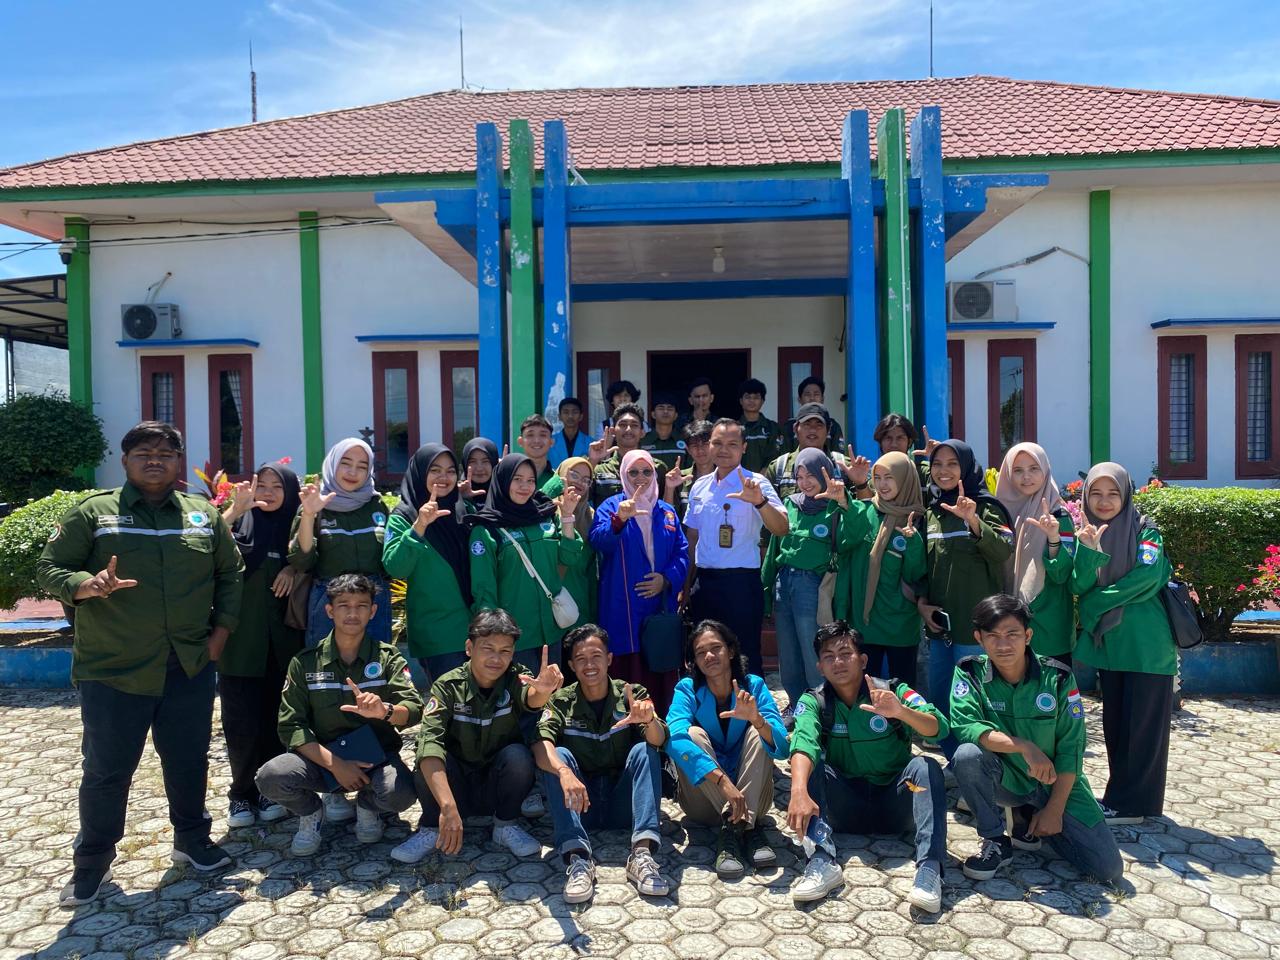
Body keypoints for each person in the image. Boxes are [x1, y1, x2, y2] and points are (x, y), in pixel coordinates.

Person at [37, 421, 245, 906]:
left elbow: (230, 574)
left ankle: (191, 840)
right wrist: (85, 585)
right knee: (108, 770)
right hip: (114, 667)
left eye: (166, 453)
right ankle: (91, 863)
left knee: (188, 760)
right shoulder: (96, 512)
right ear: (126, 461)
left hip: (188, 666)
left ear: (177, 461)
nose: (155, 460)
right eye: (144, 453)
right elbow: (51, 567)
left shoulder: (200, 515)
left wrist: (219, 635)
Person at [949, 595, 1123, 884]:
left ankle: (1030, 816)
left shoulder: (1058, 678)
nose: (1003, 645)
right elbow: (967, 727)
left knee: (1108, 871)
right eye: (992, 636)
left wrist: (1054, 810)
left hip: (1054, 780)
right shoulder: (969, 672)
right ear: (979, 639)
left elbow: (1071, 747)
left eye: (1012, 635)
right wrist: (1023, 746)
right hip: (1005, 779)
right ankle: (996, 840)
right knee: (966, 756)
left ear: (1028, 635)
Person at [255, 574, 423, 855]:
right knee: (270, 776)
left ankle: (368, 806)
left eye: (361, 605)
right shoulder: (305, 662)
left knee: (401, 793)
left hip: (376, 761)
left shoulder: (387, 658)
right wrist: (336, 765)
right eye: (344, 605)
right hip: (321, 760)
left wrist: (386, 711)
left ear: (373, 611)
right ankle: (311, 813)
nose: (353, 613)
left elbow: (414, 709)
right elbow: (291, 725)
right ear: (330, 611)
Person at [786, 622, 947, 911]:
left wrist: (901, 712)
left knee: (926, 767)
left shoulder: (894, 690)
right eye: (828, 656)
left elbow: (938, 727)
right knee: (812, 768)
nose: (838, 662)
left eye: (845, 653)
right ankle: (822, 859)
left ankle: (929, 869)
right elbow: (803, 741)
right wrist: (798, 790)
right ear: (820, 666)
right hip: (844, 805)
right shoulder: (815, 700)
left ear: (862, 660)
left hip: (897, 800)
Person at [390, 610, 564, 862]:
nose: (496, 658)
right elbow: (430, 743)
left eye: (505, 651)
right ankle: (430, 826)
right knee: (429, 756)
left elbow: (531, 698)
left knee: (518, 755)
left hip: (495, 785)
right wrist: (447, 806)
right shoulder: (447, 686)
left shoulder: (517, 677)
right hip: (455, 784)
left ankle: (505, 825)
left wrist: (544, 691)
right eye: (488, 648)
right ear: (469, 648)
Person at [531, 625, 671, 902]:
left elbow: (658, 742)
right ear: (571, 665)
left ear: (609, 659)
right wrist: (563, 771)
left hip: (624, 806)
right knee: (558, 755)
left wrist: (649, 720)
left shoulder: (632, 694)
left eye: (596, 656)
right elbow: (539, 745)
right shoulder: (560, 701)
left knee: (644, 750)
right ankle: (578, 858)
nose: (589, 665)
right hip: (581, 806)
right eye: (581, 659)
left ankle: (642, 854)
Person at [1072, 462, 1175, 825]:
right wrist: (1088, 552)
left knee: (1143, 728)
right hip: (1111, 647)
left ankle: (1135, 804)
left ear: (1126, 494)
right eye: (1096, 493)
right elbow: (1079, 584)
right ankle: (1121, 797)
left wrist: (1098, 602)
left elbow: (1147, 576)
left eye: (1113, 493)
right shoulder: (1086, 533)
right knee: (1117, 725)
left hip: (1147, 647)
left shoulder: (1146, 531)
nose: (1104, 501)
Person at [217, 460, 303, 828]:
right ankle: (240, 795)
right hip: (239, 645)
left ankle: (270, 791)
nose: (268, 493)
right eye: (262, 486)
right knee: (240, 725)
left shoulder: (294, 531)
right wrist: (235, 509)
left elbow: (313, 558)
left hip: (283, 646)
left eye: (276, 487)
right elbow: (202, 545)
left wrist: (293, 567)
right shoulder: (237, 526)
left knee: (275, 720)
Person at [667, 620, 788, 878]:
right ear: (694, 662)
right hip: (702, 803)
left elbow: (782, 747)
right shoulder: (687, 689)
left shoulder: (753, 685)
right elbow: (673, 738)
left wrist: (757, 719)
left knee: (760, 731)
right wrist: (722, 782)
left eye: (716, 648)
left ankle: (732, 831)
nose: (709, 656)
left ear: (730, 651)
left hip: (753, 796)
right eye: (701, 652)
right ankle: (749, 829)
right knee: (692, 734)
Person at [916, 439, 1013, 759]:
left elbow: (1002, 550)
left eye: (952, 464)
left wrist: (973, 521)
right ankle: (956, 763)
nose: (944, 471)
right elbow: (922, 568)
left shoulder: (989, 508)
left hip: (976, 631)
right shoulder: (929, 514)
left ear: (967, 468)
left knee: (975, 705)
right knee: (942, 701)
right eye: (938, 464)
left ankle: (980, 768)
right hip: (941, 630)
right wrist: (921, 603)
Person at [683, 419, 788, 676]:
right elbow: (692, 539)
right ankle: (710, 711)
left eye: (732, 444)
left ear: (743, 448)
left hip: (740, 583)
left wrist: (760, 502)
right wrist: (686, 586)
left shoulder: (757, 484)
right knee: (705, 654)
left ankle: (752, 713)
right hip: (705, 583)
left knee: (745, 656)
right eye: (717, 443)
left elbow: (782, 527)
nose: (723, 450)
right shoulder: (700, 486)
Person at [589, 449, 689, 713]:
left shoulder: (667, 512)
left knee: (660, 673)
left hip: (658, 606)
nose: (640, 478)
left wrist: (667, 579)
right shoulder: (611, 506)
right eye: (633, 472)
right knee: (626, 677)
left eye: (647, 472)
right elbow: (598, 542)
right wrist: (619, 520)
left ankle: (662, 735)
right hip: (623, 607)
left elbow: (682, 553)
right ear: (623, 474)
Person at [467, 453, 587, 666]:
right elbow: (484, 590)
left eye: (530, 480)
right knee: (519, 698)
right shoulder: (486, 530)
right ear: (503, 481)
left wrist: (567, 515)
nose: (525, 486)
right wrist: (493, 636)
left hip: (551, 633)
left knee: (550, 695)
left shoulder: (543, 517)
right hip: (512, 640)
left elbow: (568, 557)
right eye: (517, 479)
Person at [762, 447, 846, 721]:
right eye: (800, 476)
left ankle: (821, 706)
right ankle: (797, 703)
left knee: (814, 649)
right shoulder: (789, 504)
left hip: (813, 585)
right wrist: (765, 588)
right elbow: (775, 547)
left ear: (826, 474)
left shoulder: (836, 506)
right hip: (784, 582)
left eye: (812, 475)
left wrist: (845, 502)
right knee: (788, 650)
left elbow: (852, 539)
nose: (805, 482)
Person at [382, 444, 473, 684]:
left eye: (451, 471)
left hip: (475, 630)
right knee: (451, 709)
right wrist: (420, 526)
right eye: (435, 470)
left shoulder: (464, 510)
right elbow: (395, 567)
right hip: (438, 635)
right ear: (420, 473)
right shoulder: (404, 516)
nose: (444, 477)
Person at [289, 437, 392, 648]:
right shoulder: (315, 503)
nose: (352, 472)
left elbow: (390, 558)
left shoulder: (377, 506)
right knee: (326, 671)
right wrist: (309, 515)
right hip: (329, 601)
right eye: (345, 463)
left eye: (361, 466)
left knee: (375, 671)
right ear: (333, 463)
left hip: (373, 601)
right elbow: (302, 561)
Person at [835, 451, 927, 686]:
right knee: (865, 689)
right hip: (865, 622)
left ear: (905, 479)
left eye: (890, 477)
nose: (883, 484)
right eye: (878, 477)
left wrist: (913, 543)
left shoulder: (918, 518)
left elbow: (916, 576)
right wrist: (847, 504)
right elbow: (846, 544)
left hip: (901, 623)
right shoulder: (866, 510)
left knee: (904, 691)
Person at [995, 442, 1077, 666]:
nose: (1026, 477)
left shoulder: (1058, 516)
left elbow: (1062, 575)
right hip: (1008, 623)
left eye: (1034, 468)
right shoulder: (999, 514)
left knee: (1052, 694)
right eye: (1018, 470)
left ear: (1045, 470)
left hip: (1048, 623)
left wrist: (1053, 537)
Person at [764, 402, 867, 501]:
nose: (813, 430)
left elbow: (867, 510)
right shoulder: (779, 468)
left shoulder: (844, 466)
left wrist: (861, 483)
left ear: (828, 430)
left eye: (819, 425)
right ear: (795, 429)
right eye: (807, 424)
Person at [547, 455, 599, 628]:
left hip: (579, 605)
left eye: (586, 479)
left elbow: (592, 572)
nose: (580, 483)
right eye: (574, 475)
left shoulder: (591, 516)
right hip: (548, 602)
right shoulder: (545, 511)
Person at [590, 402, 666, 508]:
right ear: (613, 431)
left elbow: (665, 507)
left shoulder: (657, 468)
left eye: (634, 425)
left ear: (642, 432)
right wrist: (593, 461)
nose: (628, 429)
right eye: (622, 425)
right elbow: (580, 498)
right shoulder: (600, 469)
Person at [662, 418, 714, 517]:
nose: (700, 450)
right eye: (694, 445)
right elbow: (668, 515)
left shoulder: (726, 477)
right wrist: (669, 488)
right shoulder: (679, 478)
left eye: (705, 444)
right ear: (688, 449)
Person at [782, 376, 845, 452]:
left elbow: (837, 456)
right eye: (807, 394)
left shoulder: (833, 426)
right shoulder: (788, 427)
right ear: (799, 399)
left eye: (816, 394)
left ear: (822, 399)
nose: (812, 398)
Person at [737, 377, 784, 473]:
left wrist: (761, 477)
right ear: (741, 401)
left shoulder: (772, 428)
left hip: (766, 481)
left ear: (762, 401)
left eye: (756, 397)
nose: (751, 401)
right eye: (747, 397)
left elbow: (774, 456)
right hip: (738, 480)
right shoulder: (733, 428)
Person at [640, 392, 685, 469]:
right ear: (653, 414)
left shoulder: (684, 439)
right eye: (661, 408)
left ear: (676, 415)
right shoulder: (643, 440)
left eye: (670, 408)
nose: (665, 411)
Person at [460, 437, 500, 513]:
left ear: (494, 463)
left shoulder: (506, 494)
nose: (479, 468)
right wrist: (459, 498)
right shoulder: (455, 493)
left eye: (485, 461)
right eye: (472, 461)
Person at [516, 414, 558, 487]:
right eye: (530, 435)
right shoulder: (510, 476)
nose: (536, 441)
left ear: (551, 442)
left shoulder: (557, 480)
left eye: (543, 435)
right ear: (520, 441)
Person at [549, 397, 587, 469]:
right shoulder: (549, 442)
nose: (570, 416)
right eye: (566, 412)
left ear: (581, 416)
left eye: (575, 412)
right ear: (559, 416)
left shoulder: (590, 443)